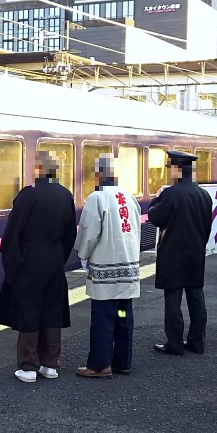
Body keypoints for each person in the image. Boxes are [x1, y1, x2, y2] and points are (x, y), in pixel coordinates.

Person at [0, 151, 78, 383]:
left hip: (29, 262)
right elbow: (70, 233)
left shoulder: (28, 195)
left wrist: (13, 266)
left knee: (29, 311)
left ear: (38, 169)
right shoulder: (65, 195)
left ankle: (29, 366)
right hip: (54, 261)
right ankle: (50, 364)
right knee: (52, 310)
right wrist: (59, 258)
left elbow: (12, 234)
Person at [74, 154, 142, 378]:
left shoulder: (98, 198)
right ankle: (123, 362)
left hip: (106, 269)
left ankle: (100, 365)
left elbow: (89, 232)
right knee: (123, 315)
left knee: (103, 316)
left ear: (98, 174)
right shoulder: (129, 196)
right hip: (128, 269)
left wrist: (83, 255)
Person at [147, 150, 213, 355]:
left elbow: (156, 217)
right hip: (196, 254)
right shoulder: (204, 195)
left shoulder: (170, 194)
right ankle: (197, 342)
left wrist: (155, 201)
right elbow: (207, 227)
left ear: (177, 170)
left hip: (172, 255)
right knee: (196, 298)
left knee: (173, 301)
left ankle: (175, 344)